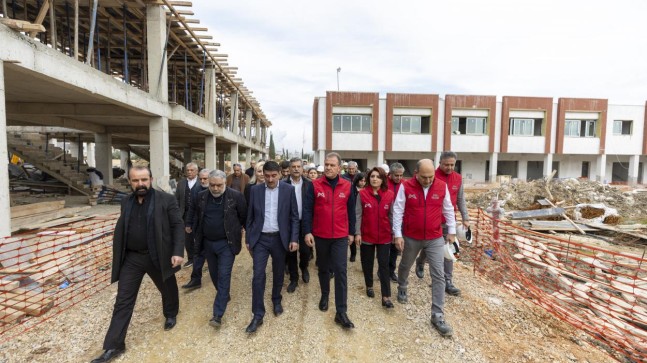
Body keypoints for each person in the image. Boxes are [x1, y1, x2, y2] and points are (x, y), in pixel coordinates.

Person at [91, 166, 184, 363]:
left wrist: (177, 251)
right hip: (132, 259)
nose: (140, 184)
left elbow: (177, 225)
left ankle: (170, 313)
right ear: (130, 182)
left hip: (157, 255)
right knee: (123, 300)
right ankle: (114, 345)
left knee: (167, 287)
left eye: (144, 180)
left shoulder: (165, 200)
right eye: (135, 181)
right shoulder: (126, 202)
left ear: (151, 179)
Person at [393, 159, 456, 337]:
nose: (428, 180)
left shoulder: (441, 186)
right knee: (405, 265)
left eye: (431, 177)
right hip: (411, 236)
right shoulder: (406, 186)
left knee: (438, 274)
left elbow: (448, 209)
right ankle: (402, 286)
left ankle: (437, 315)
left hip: (435, 237)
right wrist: (397, 234)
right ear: (416, 173)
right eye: (424, 177)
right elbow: (398, 210)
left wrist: (451, 230)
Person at [244, 161, 300, 333]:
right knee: (258, 275)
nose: (269, 179)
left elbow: (294, 217)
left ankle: (276, 299)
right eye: (266, 175)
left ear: (280, 174)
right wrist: (248, 238)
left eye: (273, 175)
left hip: (279, 239)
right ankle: (258, 314)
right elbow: (250, 216)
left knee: (277, 272)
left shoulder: (288, 190)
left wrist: (294, 238)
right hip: (260, 239)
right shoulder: (255, 190)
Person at [303, 152, 356, 329]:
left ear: (339, 168)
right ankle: (325, 294)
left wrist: (352, 232)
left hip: (340, 236)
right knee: (323, 268)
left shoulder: (347, 186)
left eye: (332, 165)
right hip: (321, 235)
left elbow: (351, 212)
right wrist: (307, 232)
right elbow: (308, 210)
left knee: (341, 271)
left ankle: (341, 311)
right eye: (326, 164)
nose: (328, 167)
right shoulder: (315, 185)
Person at [193, 170, 247, 328]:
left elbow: (243, 216)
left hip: (227, 244)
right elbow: (198, 218)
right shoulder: (201, 197)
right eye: (212, 185)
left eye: (219, 185)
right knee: (215, 275)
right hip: (208, 244)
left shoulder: (235, 196)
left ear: (225, 183)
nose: (215, 189)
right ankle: (224, 295)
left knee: (224, 276)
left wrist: (241, 232)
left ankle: (217, 314)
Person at [415, 152, 469, 297]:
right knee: (428, 246)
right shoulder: (431, 176)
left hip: (448, 222)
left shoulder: (457, 178)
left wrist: (465, 217)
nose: (449, 167)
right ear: (440, 163)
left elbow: (460, 199)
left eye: (452, 165)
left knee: (448, 250)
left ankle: (447, 281)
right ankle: (420, 261)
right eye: (446, 164)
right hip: (432, 221)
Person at [354, 167, 395, 308]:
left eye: (378, 176)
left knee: (384, 265)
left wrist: (395, 233)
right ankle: (369, 285)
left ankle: (386, 296)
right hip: (367, 235)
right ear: (368, 179)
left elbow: (392, 216)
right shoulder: (362, 194)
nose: (374, 179)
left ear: (383, 179)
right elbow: (358, 215)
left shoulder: (389, 195)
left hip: (384, 236)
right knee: (367, 263)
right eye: (372, 176)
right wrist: (357, 233)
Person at [284, 157, 313, 291]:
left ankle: (304, 267)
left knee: (305, 251)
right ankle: (294, 279)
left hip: (305, 223)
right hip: (289, 224)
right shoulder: (283, 184)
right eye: (293, 166)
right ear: (289, 169)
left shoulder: (309, 184)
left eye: (298, 166)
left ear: (302, 169)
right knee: (290, 252)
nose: (296, 169)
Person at [181, 168, 211, 290]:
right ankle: (195, 279)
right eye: (201, 179)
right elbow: (192, 209)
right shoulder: (196, 190)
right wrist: (188, 224)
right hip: (200, 229)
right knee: (198, 254)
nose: (203, 181)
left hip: (215, 231)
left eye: (205, 178)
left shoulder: (217, 189)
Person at [175, 162, 199, 268]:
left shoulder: (202, 182)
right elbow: (177, 199)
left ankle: (202, 256)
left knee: (200, 236)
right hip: (184, 214)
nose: (189, 172)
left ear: (196, 171)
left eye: (191, 170)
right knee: (187, 238)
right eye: (187, 170)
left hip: (198, 215)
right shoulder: (181, 183)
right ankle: (191, 258)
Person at [387, 162, 405, 283]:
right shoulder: (384, 183)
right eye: (396, 175)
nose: (399, 178)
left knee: (395, 247)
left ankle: (391, 270)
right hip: (386, 218)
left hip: (399, 219)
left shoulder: (405, 185)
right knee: (384, 247)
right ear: (390, 174)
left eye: (401, 175)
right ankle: (382, 269)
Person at [348, 172, 366, 262]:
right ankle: (353, 253)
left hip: (363, 215)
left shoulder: (367, 190)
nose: (363, 183)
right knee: (353, 233)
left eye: (364, 181)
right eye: (361, 181)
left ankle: (363, 255)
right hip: (353, 214)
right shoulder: (352, 189)